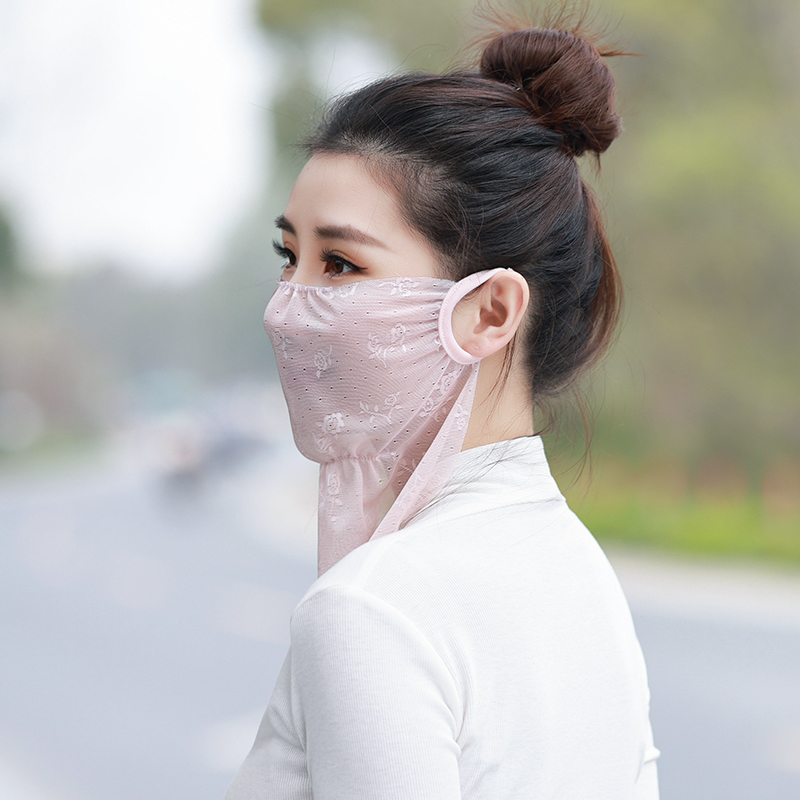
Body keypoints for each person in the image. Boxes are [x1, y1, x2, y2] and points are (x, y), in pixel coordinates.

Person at [226, 14, 660, 800]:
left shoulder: (368, 612)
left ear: (490, 312)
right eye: (289, 256)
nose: (286, 308)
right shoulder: (582, 576)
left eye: (342, 264)